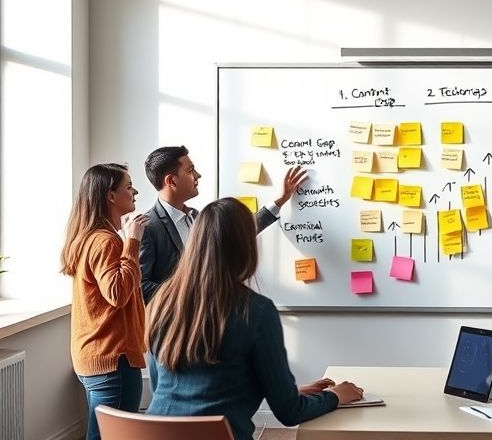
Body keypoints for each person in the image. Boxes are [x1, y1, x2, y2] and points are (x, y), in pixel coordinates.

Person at [145, 198, 364, 439]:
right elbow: (289, 413)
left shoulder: (162, 302)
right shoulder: (255, 311)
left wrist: (290, 392)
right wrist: (335, 396)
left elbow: (167, 389)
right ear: (245, 247)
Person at [139, 145, 308, 302]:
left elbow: (239, 232)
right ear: (171, 181)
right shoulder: (147, 227)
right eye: (190, 170)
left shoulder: (198, 217)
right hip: (174, 329)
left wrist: (279, 201)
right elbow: (140, 287)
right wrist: (185, 293)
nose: (198, 175)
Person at [61, 163, 149, 440]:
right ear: (110, 196)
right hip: (113, 360)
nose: (134, 191)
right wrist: (132, 241)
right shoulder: (106, 242)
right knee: (114, 436)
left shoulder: (90, 238)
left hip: (96, 356)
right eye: (128, 186)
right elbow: (118, 293)